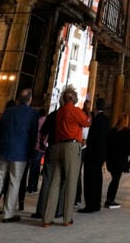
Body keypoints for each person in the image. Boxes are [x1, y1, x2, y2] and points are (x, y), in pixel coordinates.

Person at [0, 89, 39, 223]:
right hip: (20, 152)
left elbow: (0, 131)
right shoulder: (32, 113)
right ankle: (8, 214)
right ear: (30, 100)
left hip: (4, 150)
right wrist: (31, 152)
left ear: (18, 100)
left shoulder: (8, 111)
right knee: (14, 182)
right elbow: (33, 135)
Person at [41, 86, 89, 227]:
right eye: (75, 96)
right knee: (71, 182)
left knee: (55, 182)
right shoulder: (74, 111)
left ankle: (47, 218)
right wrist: (86, 112)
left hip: (57, 146)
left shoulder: (60, 112)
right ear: (72, 98)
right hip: (71, 147)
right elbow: (86, 122)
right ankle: (67, 218)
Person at [79, 98, 109, 214]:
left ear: (96, 106)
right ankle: (97, 203)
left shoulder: (96, 120)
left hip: (92, 154)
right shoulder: (106, 120)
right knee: (98, 178)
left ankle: (89, 205)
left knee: (89, 179)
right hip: (101, 154)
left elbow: (92, 138)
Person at [105, 113, 130, 208]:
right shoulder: (126, 132)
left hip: (111, 159)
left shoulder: (111, 131)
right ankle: (110, 200)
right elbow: (129, 147)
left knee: (114, 179)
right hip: (120, 160)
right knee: (116, 180)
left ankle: (109, 199)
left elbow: (107, 144)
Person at [26, 108, 47, 193]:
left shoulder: (38, 121)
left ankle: (30, 186)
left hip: (37, 146)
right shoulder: (46, 120)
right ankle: (34, 186)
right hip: (43, 147)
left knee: (33, 167)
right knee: (37, 166)